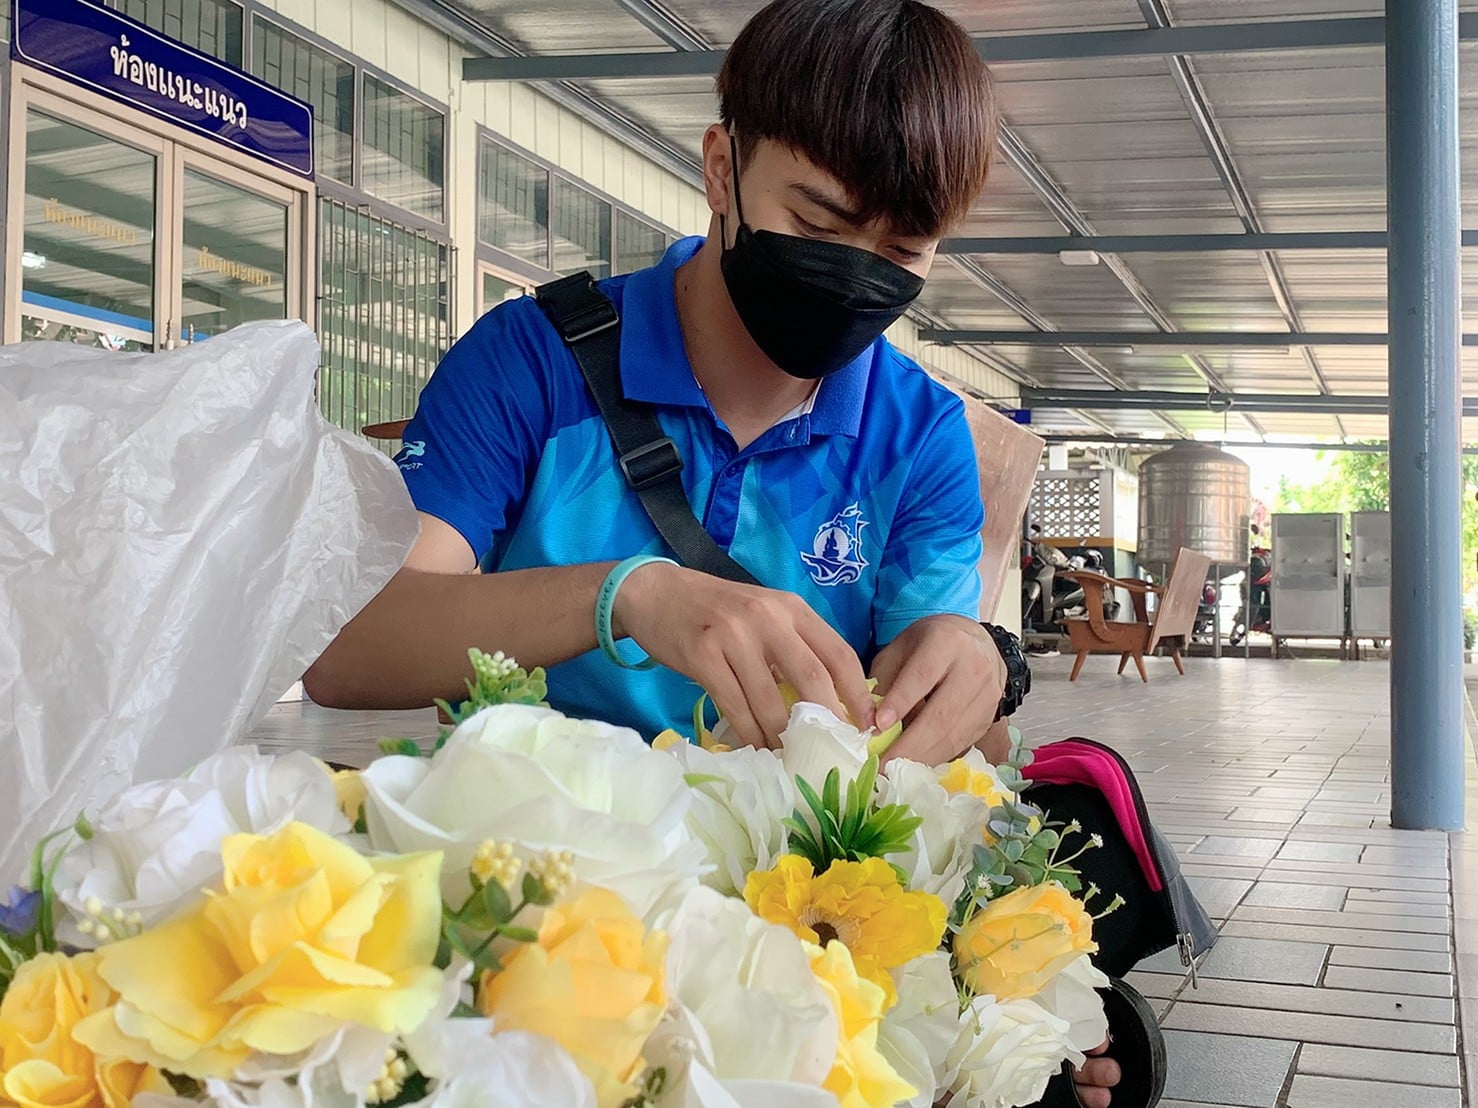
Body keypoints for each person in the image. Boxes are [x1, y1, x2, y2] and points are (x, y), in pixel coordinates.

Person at [306, 3, 1118, 1100]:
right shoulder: (530, 366)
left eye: (901, 252)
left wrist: (978, 662)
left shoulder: (915, 434)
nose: (854, 276)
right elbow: (352, 650)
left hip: (775, 943)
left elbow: (940, 735)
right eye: (820, 219)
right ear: (720, 167)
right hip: (530, 928)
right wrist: (625, 595)